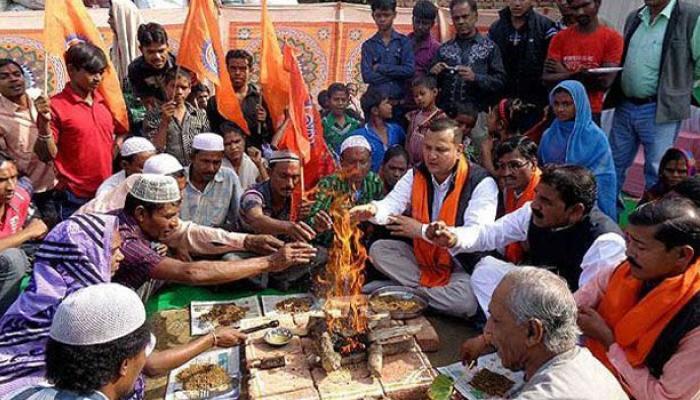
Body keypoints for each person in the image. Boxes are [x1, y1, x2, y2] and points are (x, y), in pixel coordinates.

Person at [427, 165, 625, 315]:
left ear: (575, 211)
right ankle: (504, 335)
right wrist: (453, 237)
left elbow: (584, 304)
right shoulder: (531, 212)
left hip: (572, 317)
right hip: (541, 296)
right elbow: (489, 234)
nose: (535, 205)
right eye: (537, 195)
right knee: (486, 270)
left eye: (546, 201)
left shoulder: (605, 242)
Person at [351, 118, 498, 318]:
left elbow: (477, 235)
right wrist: (372, 210)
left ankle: (406, 294)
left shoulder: (481, 182)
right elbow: (391, 204)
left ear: (459, 149)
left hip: (460, 266)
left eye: (441, 149)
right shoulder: (417, 173)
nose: (431, 156)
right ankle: (425, 296)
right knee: (379, 250)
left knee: (467, 302)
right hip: (424, 260)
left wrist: (421, 231)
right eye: (427, 148)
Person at [112, 174, 316, 299]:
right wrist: (271, 262)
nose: (174, 222)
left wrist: (248, 241)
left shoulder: (141, 222)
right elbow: (190, 273)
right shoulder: (124, 240)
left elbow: (190, 232)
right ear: (140, 213)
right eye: (169, 216)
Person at [576, 197, 700, 400]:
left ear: (682, 255)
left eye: (641, 247)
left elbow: (665, 397)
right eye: (629, 240)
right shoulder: (623, 271)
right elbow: (573, 305)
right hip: (595, 378)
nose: (629, 252)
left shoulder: (694, 319)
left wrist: (608, 343)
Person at [459, 267, 628, 399]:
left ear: (533, 332)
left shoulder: (548, 394)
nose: (488, 330)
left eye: (496, 320)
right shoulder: (585, 361)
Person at [606, 0, 700, 200]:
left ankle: (652, 225)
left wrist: (679, 87)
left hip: (660, 108)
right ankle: (608, 218)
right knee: (613, 165)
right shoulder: (636, 16)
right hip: (625, 105)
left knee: (658, 172)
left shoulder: (690, 16)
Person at [34, 43, 127, 221]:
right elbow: (45, 155)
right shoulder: (54, 107)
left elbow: (120, 132)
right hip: (73, 197)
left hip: (106, 193)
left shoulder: (105, 103)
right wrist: (44, 125)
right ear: (71, 70)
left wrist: (113, 150)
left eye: (100, 72)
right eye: (91, 72)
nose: (98, 78)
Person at [237, 151, 326, 290]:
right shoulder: (253, 194)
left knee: (320, 253)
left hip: (281, 253)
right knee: (231, 260)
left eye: (295, 177)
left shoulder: (297, 197)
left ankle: (273, 278)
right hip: (253, 253)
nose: (290, 184)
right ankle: (274, 279)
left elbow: (299, 236)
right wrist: (288, 227)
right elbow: (256, 219)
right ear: (269, 172)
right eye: (283, 176)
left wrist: (315, 227)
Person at [539, 80, 617, 220]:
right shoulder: (549, 135)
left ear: (579, 104)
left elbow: (604, 177)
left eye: (566, 104)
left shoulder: (595, 137)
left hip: (587, 202)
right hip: (553, 199)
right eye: (556, 103)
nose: (560, 109)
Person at [543, 0, 624, 124]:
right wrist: (580, 75)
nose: (580, 12)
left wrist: (564, 73)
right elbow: (547, 78)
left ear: (597, 3)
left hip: (591, 111)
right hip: (560, 111)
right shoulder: (560, 38)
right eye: (575, 8)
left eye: (585, 5)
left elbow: (603, 83)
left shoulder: (612, 38)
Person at [0, 58, 56, 222]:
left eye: (17, 74)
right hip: (27, 193)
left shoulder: (42, 102)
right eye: (4, 77)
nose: (13, 79)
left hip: (58, 186)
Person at [488, 0, 557, 130]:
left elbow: (551, 68)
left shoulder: (545, 27)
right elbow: (490, 66)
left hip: (536, 103)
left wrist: (549, 101)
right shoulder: (496, 29)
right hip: (503, 104)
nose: (517, 3)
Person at [430, 0, 506, 114]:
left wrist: (476, 77)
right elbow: (429, 84)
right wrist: (433, 73)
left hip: (478, 119)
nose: (461, 22)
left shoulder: (490, 48)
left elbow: (500, 82)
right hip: (447, 118)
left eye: (465, 17)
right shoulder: (444, 49)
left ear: (475, 16)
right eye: (456, 18)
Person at [308, 136, 385, 246]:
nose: (357, 168)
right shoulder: (329, 184)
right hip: (332, 245)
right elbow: (311, 220)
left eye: (363, 162)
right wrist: (317, 223)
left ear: (370, 162)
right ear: (342, 162)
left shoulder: (374, 182)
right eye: (352, 162)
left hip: (362, 245)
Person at [0, 154, 47, 315]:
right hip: (10, 262)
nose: (11, 186)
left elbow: (38, 225)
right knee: (13, 258)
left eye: (14, 178)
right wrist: (28, 233)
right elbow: (31, 231)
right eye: (2, 180)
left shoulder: (19, 197)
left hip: (16, 259)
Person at [207, 49, 273, 151]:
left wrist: (264, 123)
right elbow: (212, 135)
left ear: (250, 70)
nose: (237, 73)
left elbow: (270, 137)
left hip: (255, 159)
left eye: (242, 68)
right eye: (233, 68)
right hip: (224, 160)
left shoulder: (261, 100)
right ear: (227, 70)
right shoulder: (215, 102)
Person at [361, 0, 415, 121]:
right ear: (373, 16)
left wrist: (381, 68)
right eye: (378, 15)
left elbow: (409, 70)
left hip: (399, 107)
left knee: (398, 138)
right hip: (376, 110)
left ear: (394, 15)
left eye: (386, 15)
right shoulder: (368, 45)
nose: (382, 19)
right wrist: (397, 73)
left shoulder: (404, 42)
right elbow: (367, 76)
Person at [143, 68, 210, 166]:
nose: (179, 91)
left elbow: (206, 147)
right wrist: (164, 123)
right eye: (174, 86)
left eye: (183, 87)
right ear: (165, 87)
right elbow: (154, 150)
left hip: (194, 172)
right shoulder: (153, 116)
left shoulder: (200, 115)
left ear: (189, 88)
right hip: (167, 171)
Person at [180, 133, 242, 231]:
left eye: (216, 163)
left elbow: (240, 216)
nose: (211, 168)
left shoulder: (229, 178)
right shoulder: (177, 179)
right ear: (192, 158)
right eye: (205, 162)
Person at [494, 136, 540, 263]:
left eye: (515, 165)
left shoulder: (544, 194)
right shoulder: (508, 189)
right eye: (502, 166)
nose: (506, 173)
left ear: (533, 164)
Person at [480, 98, 538, 176]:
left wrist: (486, 154)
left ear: (500, 124)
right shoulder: (496, 142)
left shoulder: (514, 149)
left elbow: (501, 179)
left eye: (491, 117)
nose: (487, 119)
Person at [353, 88, 406, 172]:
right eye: (387, 103)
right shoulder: (359, 136)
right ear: (375, 111)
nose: (390, 106)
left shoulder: (396, 130)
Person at [127, 22, 176, 109]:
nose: (157, 57)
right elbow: (145, 102)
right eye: (151, 52)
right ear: (141, 50)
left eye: (161, 51)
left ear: (168, 47)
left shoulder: (179, 64)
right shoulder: (135, 69)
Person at [405, 76, 447, 165]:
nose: (419, 98)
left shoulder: (440, 117)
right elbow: (408, 139)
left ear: (434, 92)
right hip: (412, 164)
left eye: (422, 94)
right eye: (415, 96)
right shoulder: (415, 116)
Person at [221, 122, 267, 190]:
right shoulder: (219, 166)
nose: (233, 147)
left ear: (244, 140)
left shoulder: (253, 163)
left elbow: (267, 190)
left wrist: (259, 165)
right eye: (227, 144)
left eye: (237, 142)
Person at [322, 83, 362, 156]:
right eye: (336, 99)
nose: (340, 103)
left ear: (348, 101)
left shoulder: (355, 124)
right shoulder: (323, 124)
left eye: (343, 100)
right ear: (328, 101)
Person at [108, 0, 142, 85]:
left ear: (123, 18)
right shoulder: (112, 53)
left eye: (112, 17)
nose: (108, 21)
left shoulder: (147, 53)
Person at [409, 0, 440, 80]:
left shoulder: (436, 49)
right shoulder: (402, 42)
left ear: (432, 24)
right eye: (417, 22)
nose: (420, 27)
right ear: (412, 20)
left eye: (425, 23)